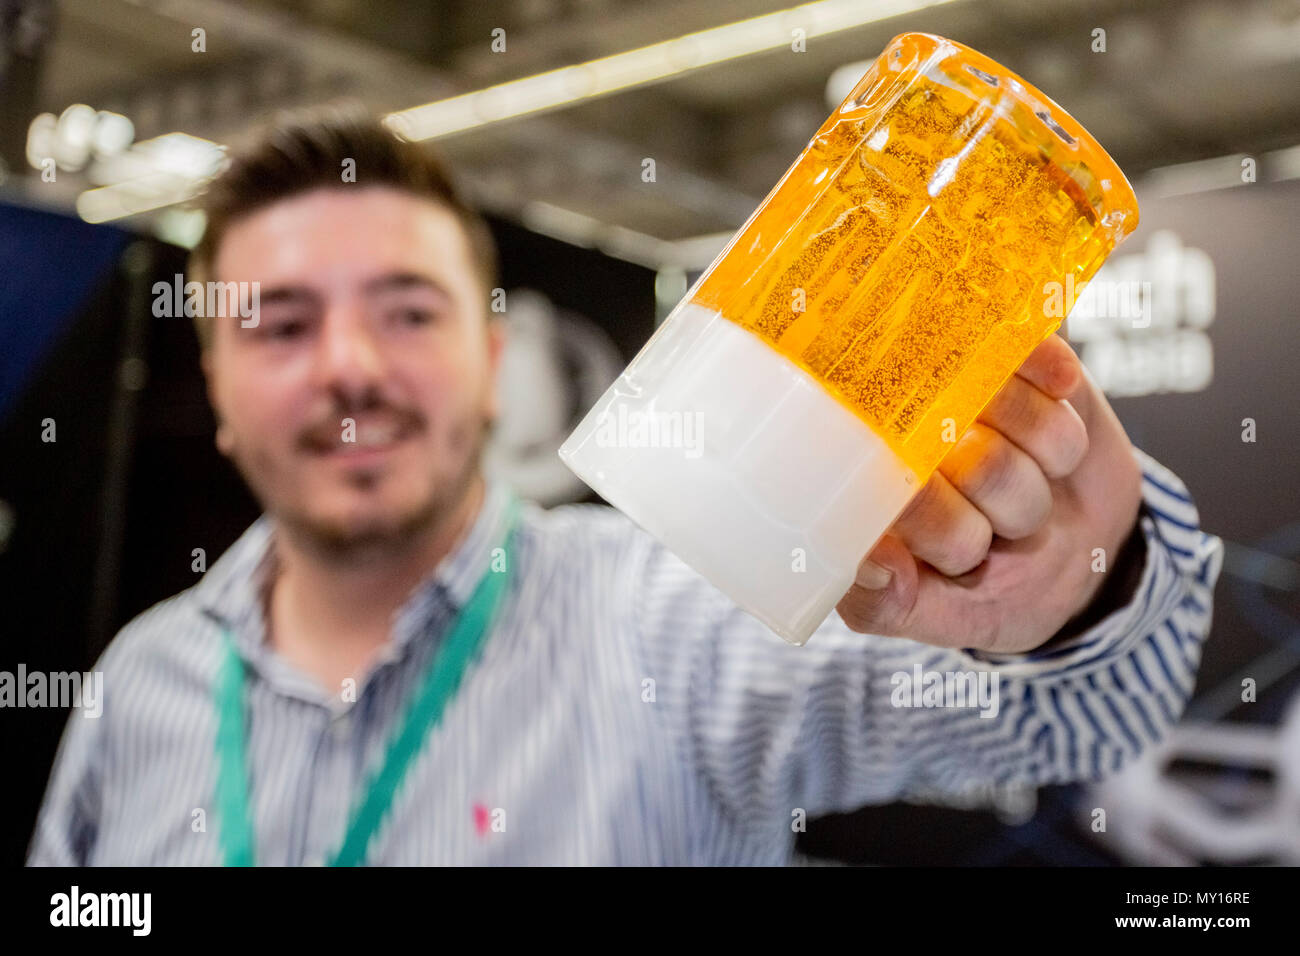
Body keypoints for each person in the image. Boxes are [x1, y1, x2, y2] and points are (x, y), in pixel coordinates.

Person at [28, 104, 1223, 865]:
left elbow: (1085, 718)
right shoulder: (144, 681)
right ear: (217, 381)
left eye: (407, 310)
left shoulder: (680, 612)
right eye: (281, 322)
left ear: (494, 357)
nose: (350, 364)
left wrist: (1084, 587)